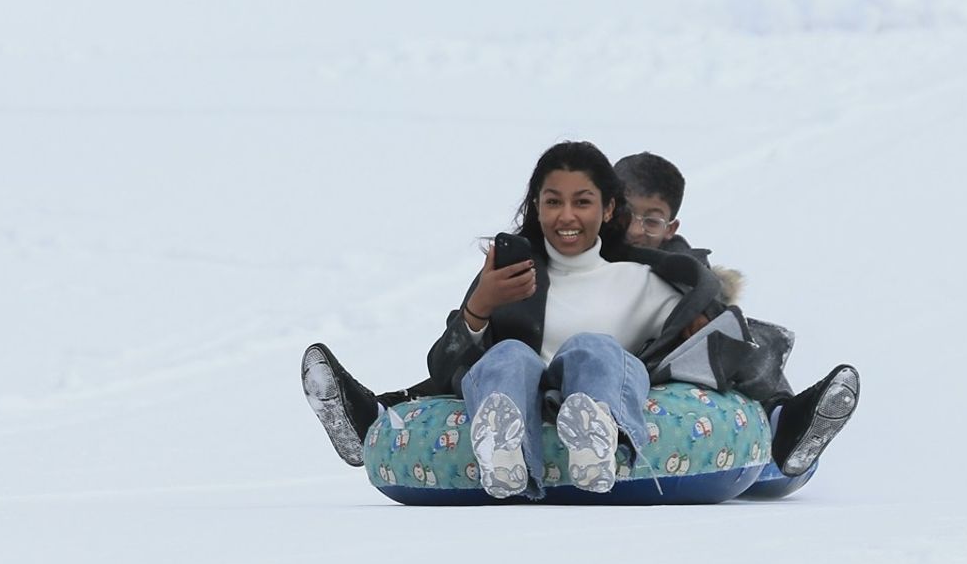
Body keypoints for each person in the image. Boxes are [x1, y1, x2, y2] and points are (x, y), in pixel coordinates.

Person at [301, 148, 859, 486]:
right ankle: (373, 419)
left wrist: (707, 315)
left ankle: (787, 428)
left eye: (654, 220)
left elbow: (728, 338)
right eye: (631, 216)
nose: (640, 231)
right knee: (497, 361)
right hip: (524, 380)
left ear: (672, 225)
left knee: (703, 345)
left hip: (617, 376)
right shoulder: (534, 266)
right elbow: (458, 363)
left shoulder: (672, 278)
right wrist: (480, 306)